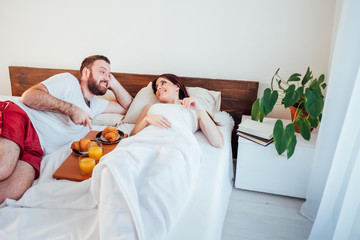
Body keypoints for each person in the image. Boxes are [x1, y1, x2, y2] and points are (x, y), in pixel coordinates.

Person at [0, 55, 133, 203]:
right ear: (86, 73)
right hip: (21, 118)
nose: (107, 77)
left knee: (14, 189)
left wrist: (112, 82)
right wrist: (71, 110)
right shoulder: (68, 81)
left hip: (36, 147)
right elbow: (28, 96)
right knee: (3, 168)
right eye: (102, 71)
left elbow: (128, 107)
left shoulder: (96, 105)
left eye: (109, 74)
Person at [130, 73, 224, 148]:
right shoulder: (151, 107)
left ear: (177, 86)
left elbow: (218, 143)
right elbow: (132, 135)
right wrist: (146, 119)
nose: (158, 88)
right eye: (156, 87)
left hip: (173, 147)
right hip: (143, 144)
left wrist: (200, 109)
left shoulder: (194, 110)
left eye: (163, 83)